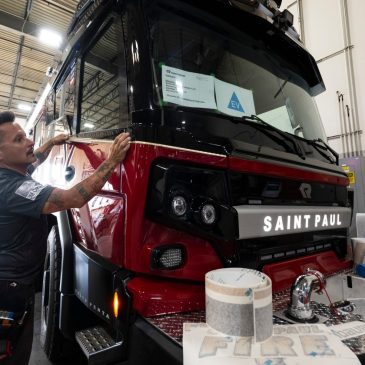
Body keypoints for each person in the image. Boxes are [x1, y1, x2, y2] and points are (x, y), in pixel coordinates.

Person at [0, 110, 131, 364]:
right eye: (18, 140)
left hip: (14, 285)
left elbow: (35, 158)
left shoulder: (14, 172)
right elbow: (73, 198)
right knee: (10, 355)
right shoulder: (12, 187)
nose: (29, 142)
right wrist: (112, 160)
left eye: (26, 135)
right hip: (8, 291)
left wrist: (51, 142)